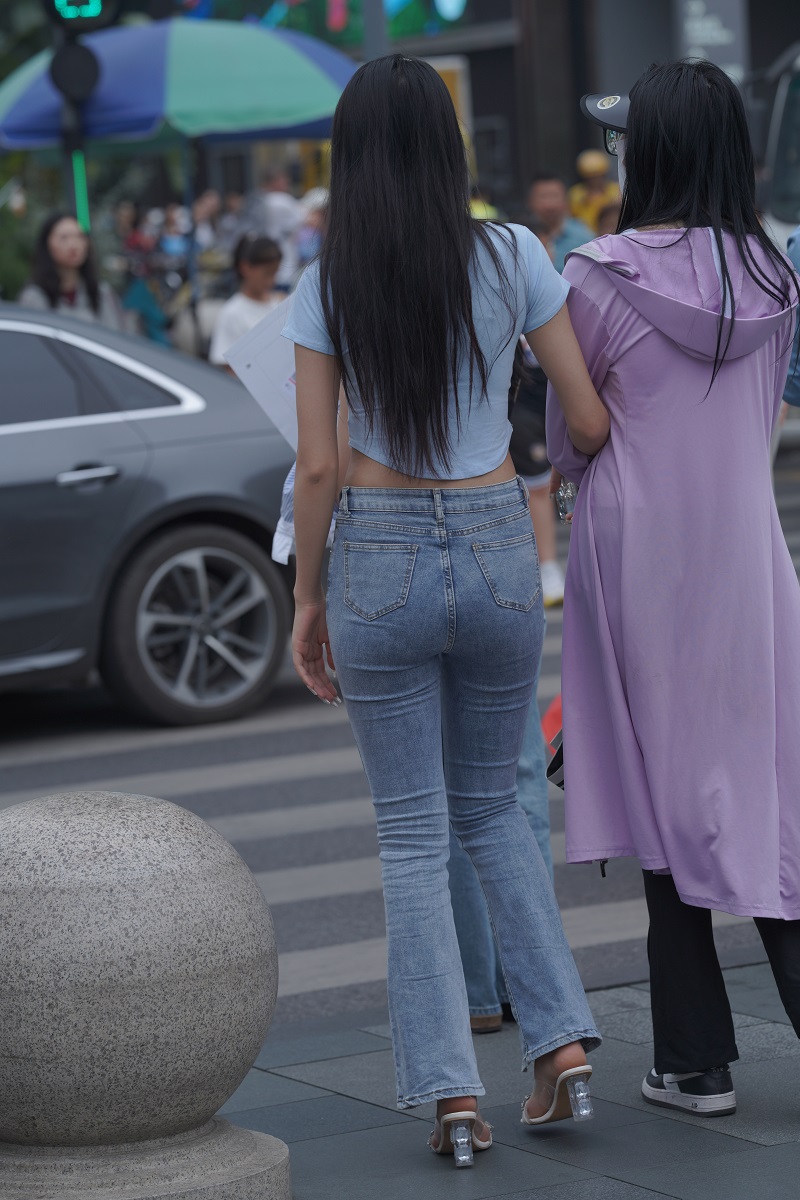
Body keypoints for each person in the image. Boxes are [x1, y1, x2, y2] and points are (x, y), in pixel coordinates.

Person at [283, 54, 603, 1168]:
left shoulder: (327, 282)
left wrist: (307, 597)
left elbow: (317, 467)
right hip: (497, 537)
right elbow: (584, 418)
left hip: (376, 550)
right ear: (449, 148)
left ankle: (451, 1098)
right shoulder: (514, 253)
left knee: (414, 835)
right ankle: (561, 1045)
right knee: (495, 813)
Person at [548, 62, 800, 1119]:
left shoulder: (596, 274)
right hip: (748, 553)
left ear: (650, 151)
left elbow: (573, 436)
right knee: (762, 786)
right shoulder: (775, 272)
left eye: (623, 137)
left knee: (661, 791)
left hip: (637, 552)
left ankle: (695, 1061)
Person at [18, 212, 126, 331]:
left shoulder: (102, 294)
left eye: (79, 237)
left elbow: (116, 336)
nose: (73, 245)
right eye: (64, 238)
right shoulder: (35, 297)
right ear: (47, 244)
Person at [208, 235, 283, 368]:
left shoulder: (280, 302)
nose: (272, 281)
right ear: (245, 268)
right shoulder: (232, 313)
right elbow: (226, 367)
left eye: (275, 273)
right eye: (266, 274)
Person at [527, 174, 592, 273]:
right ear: (530, 201)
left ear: (566, 200)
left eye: (555, 196)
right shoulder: (520, 237)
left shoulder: (583, 237)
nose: (550, 205)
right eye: (543, 197)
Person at [569, 149, 620, 232]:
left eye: (598, 176)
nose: (595, 180)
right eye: (591, 177)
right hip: (585, 235)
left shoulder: (616, 190)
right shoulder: (576, 194)